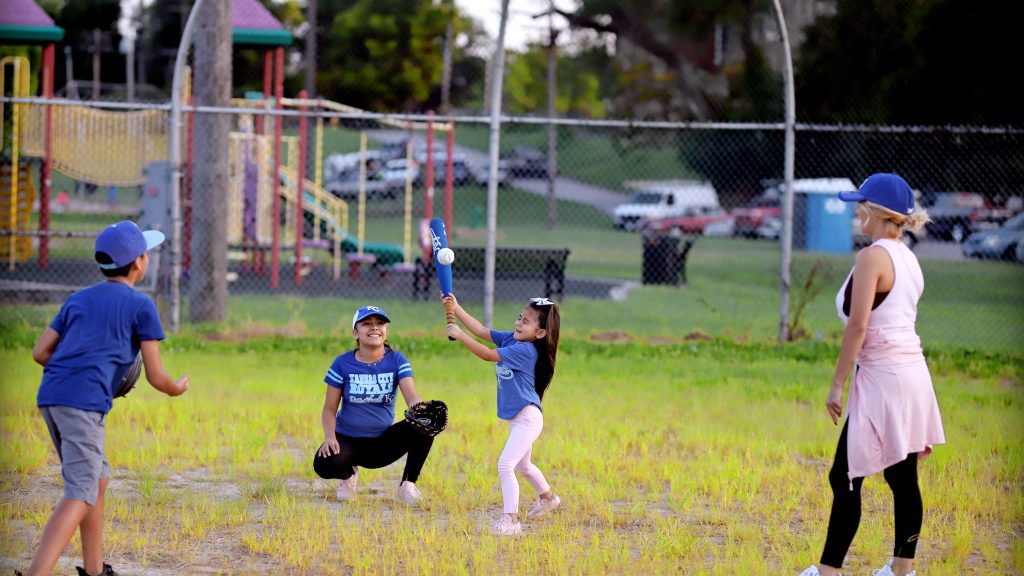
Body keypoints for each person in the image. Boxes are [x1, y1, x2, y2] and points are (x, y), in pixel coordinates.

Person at [22, 221, 190, 576]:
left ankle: (95, 570)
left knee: (96, 480)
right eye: (146, 253)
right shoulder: (140, 305)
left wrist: (77, 369)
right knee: (80, 492)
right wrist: (177, 387)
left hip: (51, 394)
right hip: (83, 404)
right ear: (139, 263)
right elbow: (157, 376)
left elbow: (40, 353)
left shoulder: (78, 298)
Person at [800, 174, 945, 576]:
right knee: (902, 477)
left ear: (878, 213)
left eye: (860, 204)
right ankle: (902, 570)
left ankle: (828, 572)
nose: (855, 210)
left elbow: (858, 326)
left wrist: (836, 384)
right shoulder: (909, 258)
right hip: (912, 375)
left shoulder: (872, 258)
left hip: (885, 378)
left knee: (844, 475)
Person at [444, 295, 563, 536]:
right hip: (520, 417)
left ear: (539, 334)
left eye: (526, 321)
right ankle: (548, 498)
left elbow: (488, 354)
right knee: (523, 465)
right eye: (519, 317)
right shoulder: (511, 338)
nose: (519, 323)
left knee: (505, 465)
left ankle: (511, 520)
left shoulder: (526, 350)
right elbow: (480, 329)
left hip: (528, 418)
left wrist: (459, 335)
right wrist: (456, 307)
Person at [313, 306, 435, 506]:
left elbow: (411, 396)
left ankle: (408, 486)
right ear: (356, 332)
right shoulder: (342, 363)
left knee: (426, 422)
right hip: (348, 441)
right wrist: (329, 437)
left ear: (385, 329)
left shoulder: (397, 360)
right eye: (366, 324)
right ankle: (348, 474)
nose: (374, 328)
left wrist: (420, 409)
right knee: (323, 463)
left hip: (383, 443)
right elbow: (329, 409)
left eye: (380, 323)